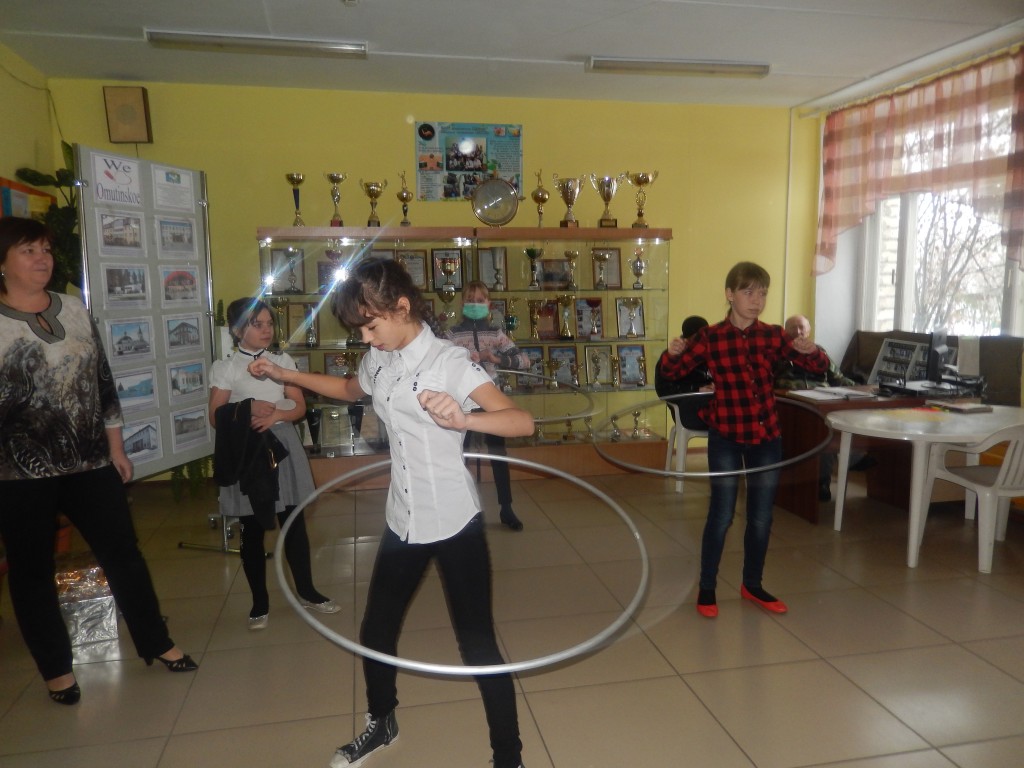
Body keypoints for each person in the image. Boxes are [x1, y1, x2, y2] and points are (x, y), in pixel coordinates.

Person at [249, 258, 533, 768]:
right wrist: (283, 373)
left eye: (371, 325)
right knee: (375, 632)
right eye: (359, 329)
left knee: (478, 647)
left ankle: (508, 757)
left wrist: (465, 418)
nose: (366, 338)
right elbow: (348, 390)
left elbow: (521, 422)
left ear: (402, 307)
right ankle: (382, 721)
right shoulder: (378, 358)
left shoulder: (449, 361)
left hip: (452, 520)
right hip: (402, 519)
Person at [0, 216, 197, 706]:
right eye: (28, 251)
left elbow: (102, 382)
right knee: (31, 571)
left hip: (89, 461)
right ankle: (56, 670)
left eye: (46, 249)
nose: (43, 259)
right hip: (18, 472)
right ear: (2, 262)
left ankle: (156, 641)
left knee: (123, 554)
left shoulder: (72, 307)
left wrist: (116, 447)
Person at [657, 262, 828, 619]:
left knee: (761, 517)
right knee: (721, 515)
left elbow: (819, 367)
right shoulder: (711, 337)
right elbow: (673, 372)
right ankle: (707, 587)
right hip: (726, 435)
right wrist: (671, 354)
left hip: (766, 436)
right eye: (748, 292)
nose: (757, 300)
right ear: (730, 295)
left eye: (762, 293)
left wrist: (811, 350)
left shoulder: (773, 335)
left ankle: (752, 584)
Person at [208, 297, 338, 630]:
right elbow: (215, 416)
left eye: (269, 324)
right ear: (238, 330)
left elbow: (298, 406)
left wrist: (277, 415)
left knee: (293, 522)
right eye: (257, 325)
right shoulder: (226, 367)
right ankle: (259, 602)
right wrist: (248, 408)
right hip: (249, 452)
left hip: (283, 446)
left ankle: (307, 591)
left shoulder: (282, 361)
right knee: (251, 529)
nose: (266, 330)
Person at [444, 280, 530, 531]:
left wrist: (496, 358)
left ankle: (506, 507)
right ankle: (462, 511)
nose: (475, 304)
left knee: (498, 454)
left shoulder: (495, 334)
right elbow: (439, 363)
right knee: (460, 455)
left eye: (480, 301)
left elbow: (524, 360)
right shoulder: (452, 335)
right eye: (470, 300)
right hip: (462, 404)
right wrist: (461, 360)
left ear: (488, 304)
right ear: (462, 303)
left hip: (492, 404)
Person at [774, 314, 874, 501]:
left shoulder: (819, 352)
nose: (798, 332)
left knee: (836, 421)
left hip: (823, 401)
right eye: (793, 328)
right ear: (785, 332)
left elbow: (838, 378)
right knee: (824, 427)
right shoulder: (778, 353)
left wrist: (864, 389)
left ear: (809, 331)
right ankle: (833, 473)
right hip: (792, 405)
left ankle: (850, 459)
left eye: (802, 327)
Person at [654, 315, 713, 430]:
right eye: (698, 339)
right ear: (687, 340)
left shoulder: (712, 353)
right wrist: (697, 390)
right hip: (686, 410)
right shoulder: (672, 357)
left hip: (711, 406)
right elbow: (665, 391)